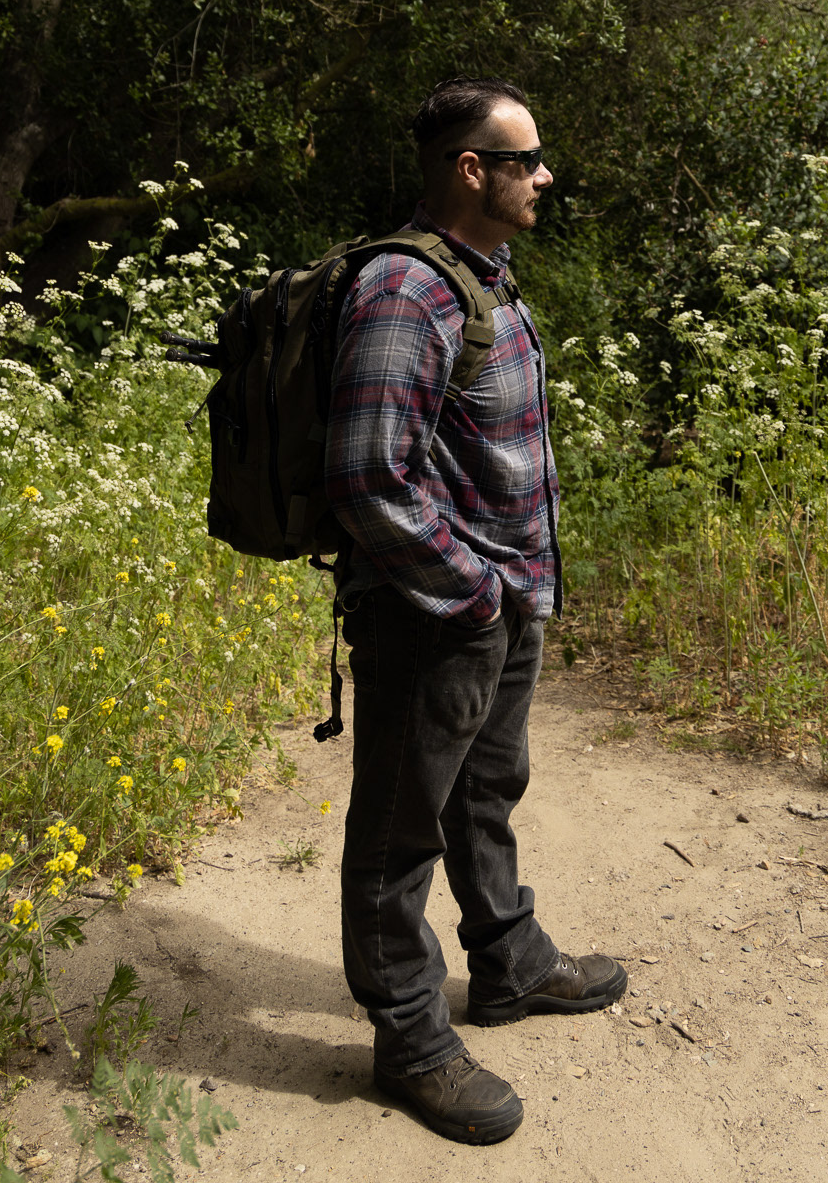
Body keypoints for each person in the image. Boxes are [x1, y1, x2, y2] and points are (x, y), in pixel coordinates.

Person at [324, 75, 626, 1145]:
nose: (543, 175)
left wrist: (509, 596)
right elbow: (368, 475)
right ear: (470, 168)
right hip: (435, 611)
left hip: (499, 600)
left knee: (486, 789)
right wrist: (473, 593)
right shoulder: (405, 292)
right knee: (398, 830)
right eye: (524, 158)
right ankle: (409, 1037)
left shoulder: (483, 278)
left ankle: (507, 961)